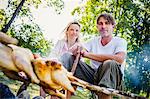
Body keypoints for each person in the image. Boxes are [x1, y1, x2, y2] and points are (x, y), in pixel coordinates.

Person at [61, 13, 127, 99]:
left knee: (109, 63)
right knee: (68, 57)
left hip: (113, 79)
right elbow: (81, 50)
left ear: (113, 26)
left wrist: (88, 55)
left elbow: (119, 59)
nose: (103, 26)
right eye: (100, 23)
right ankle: (59, 89)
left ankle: (104, 94)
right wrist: (78, 50)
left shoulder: (120, 41)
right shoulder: (93, 41)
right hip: (94, 77)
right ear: (97, 27)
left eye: (107, 23)